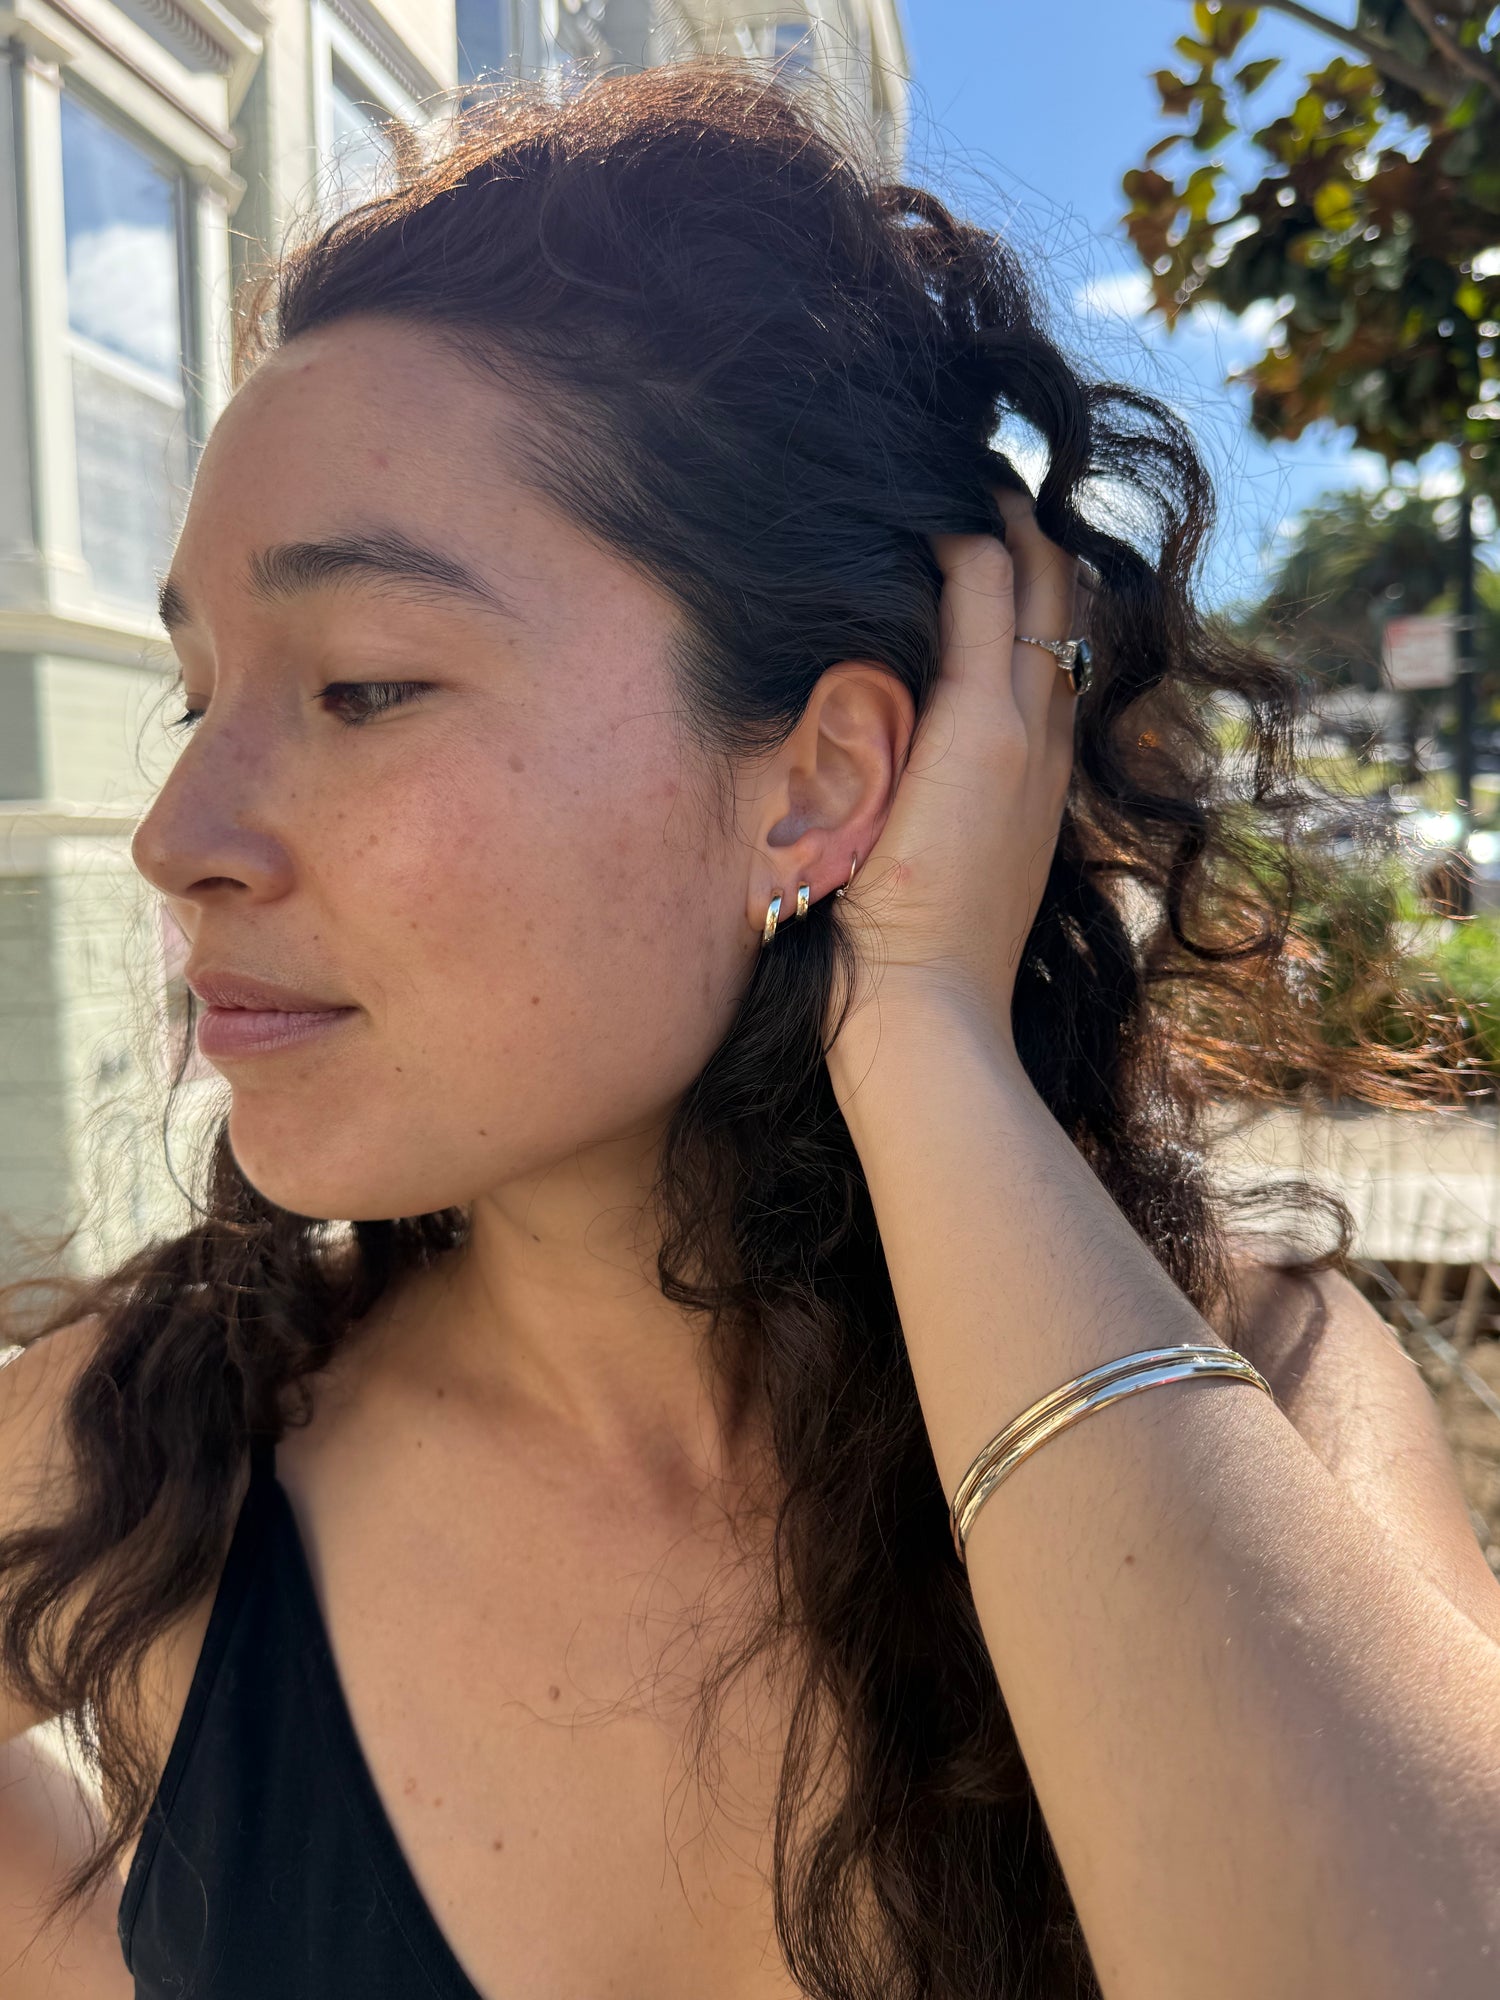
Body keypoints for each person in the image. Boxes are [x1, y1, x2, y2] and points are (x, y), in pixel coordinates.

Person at [3, 60, 1499, 2000]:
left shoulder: (1265, 1385)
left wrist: (922, 1027)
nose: (176, 831)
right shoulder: (153, 1454)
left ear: (817, 785)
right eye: (201, 694)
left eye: (362, 685)